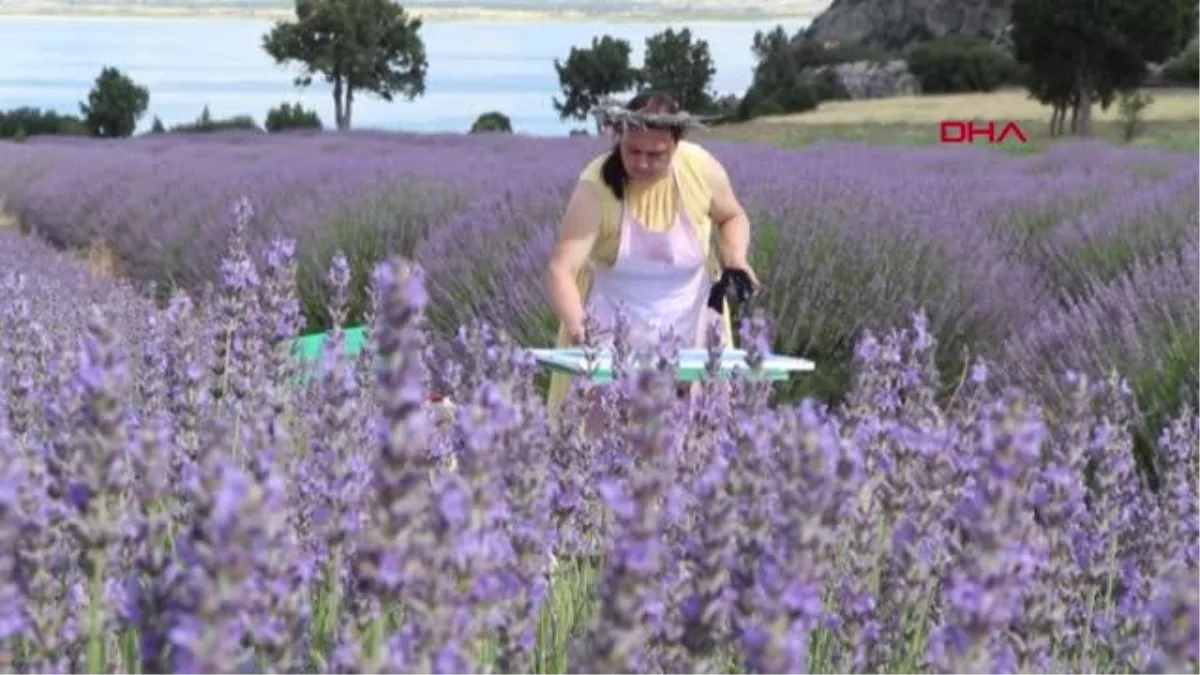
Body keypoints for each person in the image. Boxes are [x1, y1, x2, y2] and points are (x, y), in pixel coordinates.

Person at [544, 91, 761, 417]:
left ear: (676, 145)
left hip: (693, 332)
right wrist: (582, 335)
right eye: (633, 151)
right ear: (618, 138)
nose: (643, 163)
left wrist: (735, 258)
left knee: (698, 438)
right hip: (611, 337)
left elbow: (732, 216)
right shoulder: (595, 187)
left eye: (656, 155)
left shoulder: (698, 168)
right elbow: (561, 270)